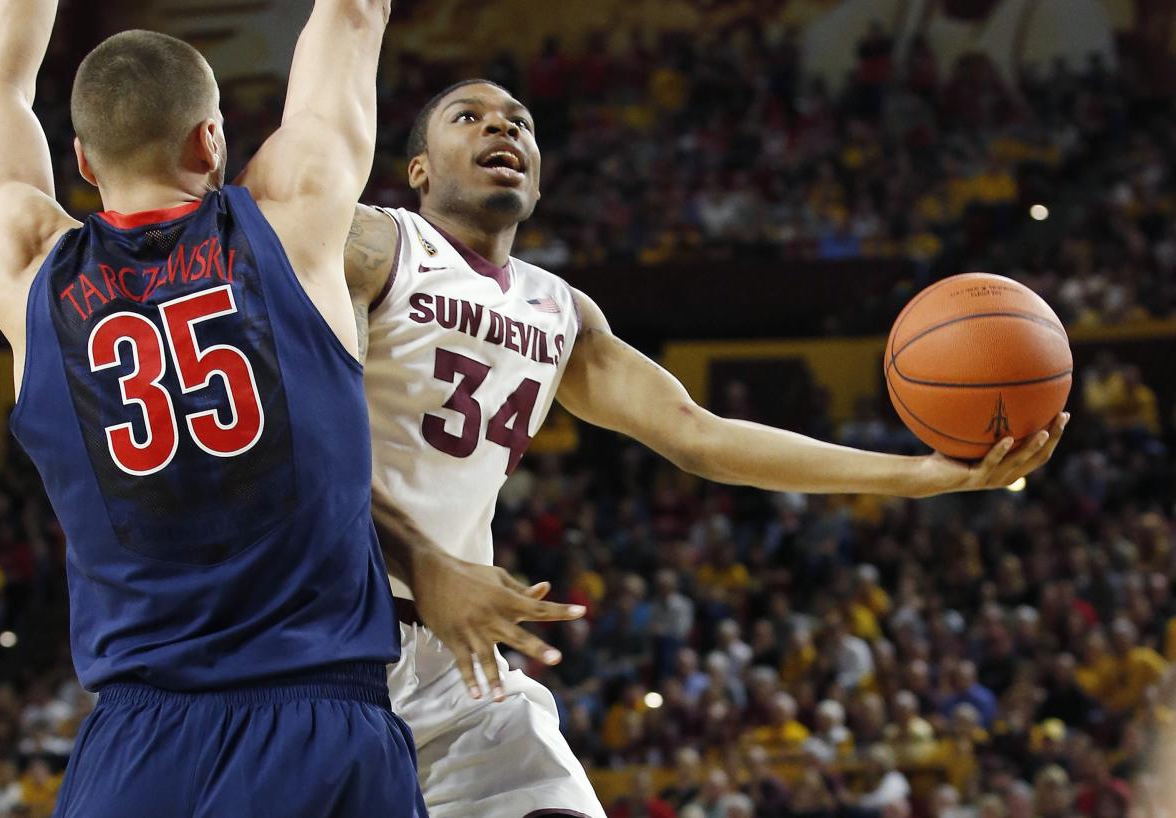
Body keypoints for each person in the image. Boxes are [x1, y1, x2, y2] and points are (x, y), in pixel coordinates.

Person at [343, 79, 1069, 818]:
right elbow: (292, 446)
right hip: (325, 632)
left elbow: (699, 434)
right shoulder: (373, 244)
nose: (503, 127)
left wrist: (919, 475)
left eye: (520, 123)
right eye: (470, 117)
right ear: (420, 169)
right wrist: (423, 563)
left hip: (461, 659)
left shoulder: (557, 310)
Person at [0, 1, 429, 815]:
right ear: (210, 140)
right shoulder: (291, 220)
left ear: (82, 158)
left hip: (137, 746)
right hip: (321, 724)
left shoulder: (30, 268)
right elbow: (354, 16)